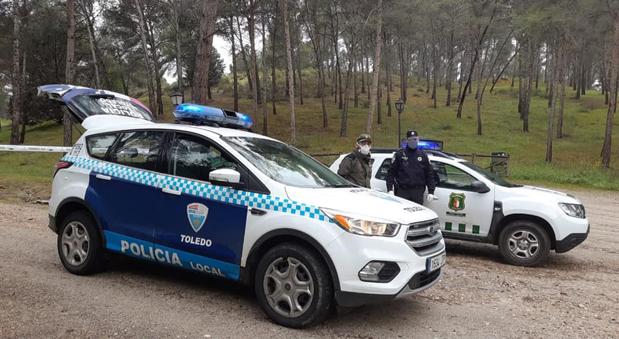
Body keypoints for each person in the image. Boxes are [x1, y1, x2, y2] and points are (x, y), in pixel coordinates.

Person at [386, 130, 436, 204]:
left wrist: (431, 191)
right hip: (402, 191)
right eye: (410, 139)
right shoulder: (399, 154)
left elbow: (429, 174)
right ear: (407, 140)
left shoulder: (423, 155)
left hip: (418, 192)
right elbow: (391, 173)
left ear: (418, 139)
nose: (413, 141)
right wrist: (390, 189)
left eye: (415, 139)